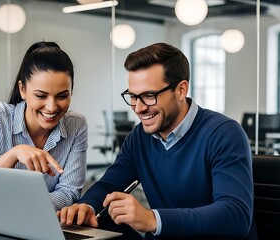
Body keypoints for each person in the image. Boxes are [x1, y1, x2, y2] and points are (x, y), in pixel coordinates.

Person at [58, 43, 257, 240]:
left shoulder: (224, 133)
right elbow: (110, 184)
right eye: (133, 96)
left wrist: (153, 219)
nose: (138, 108)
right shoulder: (139, 137)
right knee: (95, 223)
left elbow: (236, 214)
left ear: (181, 90)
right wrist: (86, 206)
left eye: (149, 96)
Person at [0, 41, 88, 225]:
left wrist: (10, 209)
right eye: (41, 95)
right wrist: (14, 154)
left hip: (30, 222)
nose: (52, 107)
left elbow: (68, 193)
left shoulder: (76, 125)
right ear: (23, 89)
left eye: (62, 96)